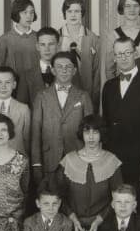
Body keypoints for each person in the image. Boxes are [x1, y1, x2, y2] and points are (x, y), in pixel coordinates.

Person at [52, 114, 122, 231]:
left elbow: (119, 200)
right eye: (86, 132)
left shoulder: (112, 160)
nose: (91, 137)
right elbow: (58, 198)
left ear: (102, 133)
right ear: (81, 134)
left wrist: (98, 221)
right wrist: (73, 219)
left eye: (95, 132)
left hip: (103, 226)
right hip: (72, 225)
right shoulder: (68, 160)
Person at [100, 37, 140, 188]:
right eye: (119, 54)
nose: (124, 57)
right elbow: (106, 123)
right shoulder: (108, 87)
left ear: (135, 53)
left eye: (128, 52)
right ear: (114, 58)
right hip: (114, 156)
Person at [28, 51, 92, 186]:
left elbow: (90, 130)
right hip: (49, 161)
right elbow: (36, 132)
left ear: (74, 70)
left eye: (68, 67)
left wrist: (89, 158)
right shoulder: (42, 96)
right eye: (59, 67)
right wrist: (36, 163)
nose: (64, 70)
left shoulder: (83, 96)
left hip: (78, 158)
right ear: (52, 70)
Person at [57, 0, 101, 109]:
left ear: (82, 13)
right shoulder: (56, 37)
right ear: (64, 13)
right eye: (69, 11)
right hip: (61, 92)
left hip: (85, 91)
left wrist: (94, 97)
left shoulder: (93, 38)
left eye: (77, 11)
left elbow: (97, 71)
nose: (73, 15)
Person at [103, 0, 140, 79]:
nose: (132, 10)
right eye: (128, 6)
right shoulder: (112, 35)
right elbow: (109, 69)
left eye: (135, 6)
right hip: (121, 84)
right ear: (122, 8)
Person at [0, 0, 38, 81]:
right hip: (13, 84)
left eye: (31, 12)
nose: (29, 16)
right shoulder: (5, 39)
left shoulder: (38, 37)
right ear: (16, 13)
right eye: (24, 12)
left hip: (35, 83)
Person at [17, 25, 61, 108]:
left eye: (51, 44)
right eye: (42, 45)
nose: (46, 49)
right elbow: (22, 108)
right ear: (37, 47)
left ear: (58, 46)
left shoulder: (69, 72)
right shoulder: (26, 76)